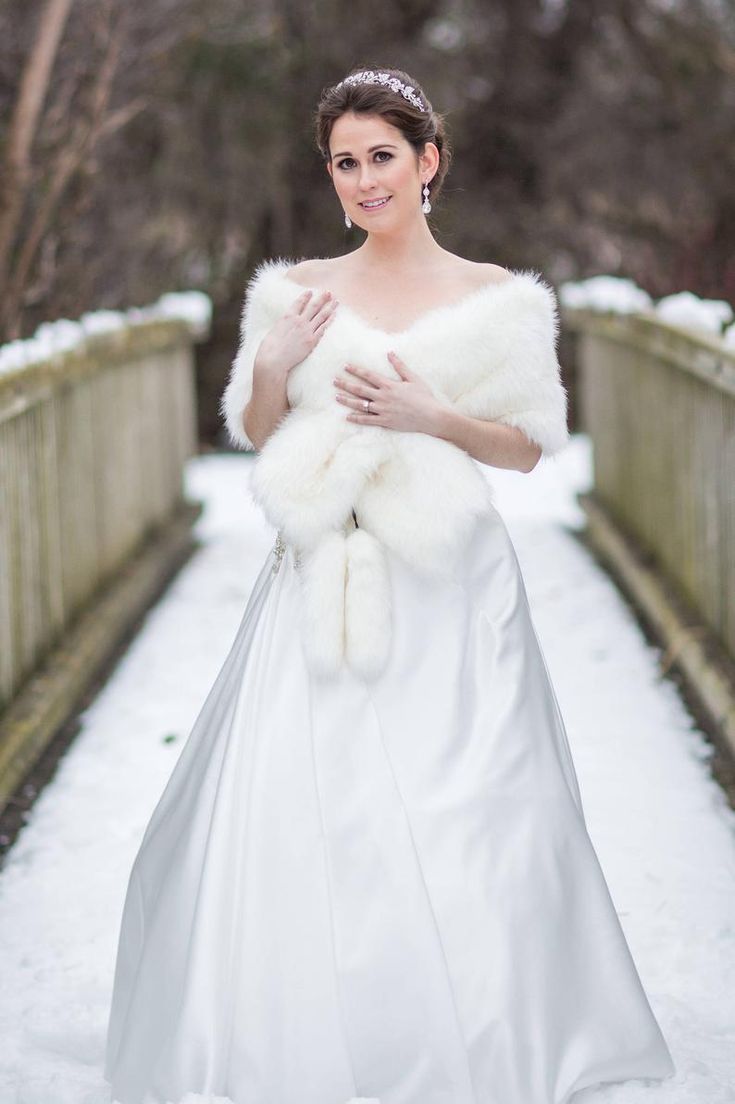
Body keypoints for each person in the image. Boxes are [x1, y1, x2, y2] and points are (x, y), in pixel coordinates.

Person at [104, 66, 676, 1104]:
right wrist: (274, 362)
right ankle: (303, 1033)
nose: (364, 181)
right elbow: (261, 432)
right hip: (320, 577)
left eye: (382, 158)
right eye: (344, 163)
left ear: (429, 162)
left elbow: (527, 451)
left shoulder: (501, 300)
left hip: (453, 588)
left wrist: (434, 419)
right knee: (307, 804)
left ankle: (483, 1031)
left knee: (474, 804)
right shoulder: (297, 293)